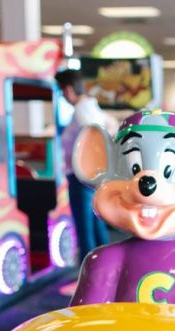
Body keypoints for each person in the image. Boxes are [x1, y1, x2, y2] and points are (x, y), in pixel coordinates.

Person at [54, 69, 111, 260]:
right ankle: (105, 271)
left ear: (69, 89)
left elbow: (94, 141)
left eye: (62, 91)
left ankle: (90, 276)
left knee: (85, 228)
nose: (63, 96)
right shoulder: (91, 108)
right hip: (92, 177)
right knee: (95, 225)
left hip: (82, 177)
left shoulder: (81, 111)